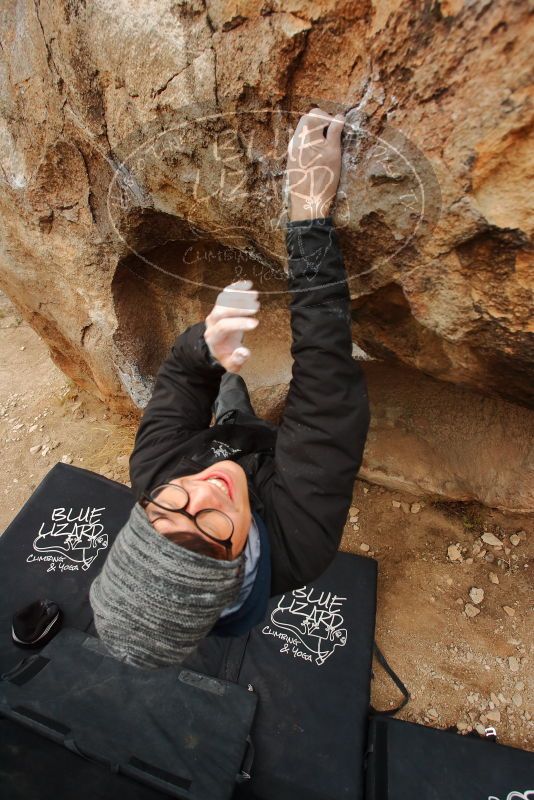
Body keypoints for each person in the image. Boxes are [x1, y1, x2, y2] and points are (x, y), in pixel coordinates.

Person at [89, 107, 371, 669]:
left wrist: (204, 348)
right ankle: (238, 416)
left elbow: (176, 377)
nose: (207, 492)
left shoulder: (156, 473)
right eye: (211, 532)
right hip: (279, 466)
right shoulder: (302, 541)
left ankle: (232, 400)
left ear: (146, 508)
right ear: (235, 569)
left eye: (172, 507)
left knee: (230, 399)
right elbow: (325, 391)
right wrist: (308, 217)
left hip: (228, 436)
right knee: (283, 433)